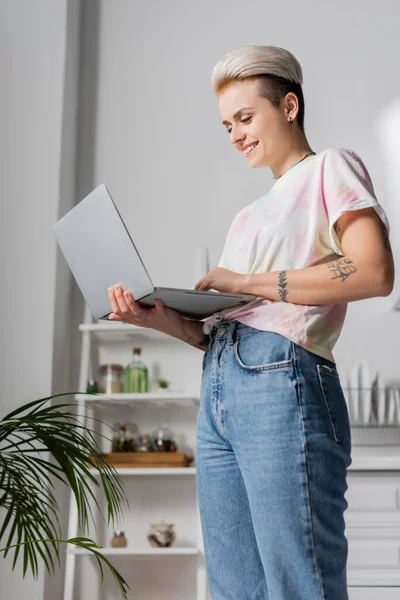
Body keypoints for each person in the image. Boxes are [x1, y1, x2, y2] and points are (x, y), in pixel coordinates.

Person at [107, 45, 394, 600]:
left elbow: (374, 271)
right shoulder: (248, 214)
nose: (235, 134)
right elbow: (220, 329)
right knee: (235, 587)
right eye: (226, 125)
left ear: (288, 106)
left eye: (244, 117)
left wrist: (246, 281)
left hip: (283, 381)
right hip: (222, 381)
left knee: (298, 581)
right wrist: (159, 320)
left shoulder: (331, 168)